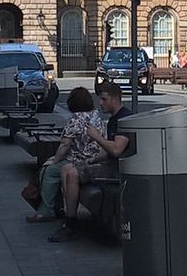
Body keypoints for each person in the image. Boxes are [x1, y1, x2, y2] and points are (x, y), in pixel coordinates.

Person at [48, 81, 131, 243]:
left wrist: (96, 137)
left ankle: (71, 223)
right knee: (66, 169)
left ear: (115, 99)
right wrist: (92, 160)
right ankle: (69, 215)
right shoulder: (114, 119)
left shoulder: (124, 119)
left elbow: (116, 150)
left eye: (104, 99)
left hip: (117, 170)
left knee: (72, 174)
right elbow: (107, 152)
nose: (100, 103)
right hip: (108, 164)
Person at [25, 87, 103, 225]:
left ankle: (46, 211)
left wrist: (54, 159)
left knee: (49, 171)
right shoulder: (96, 116)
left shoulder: (76, 119)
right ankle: (57, 207)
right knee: (54, 169)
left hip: (79, 160)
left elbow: (65, 145)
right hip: (95, 158)